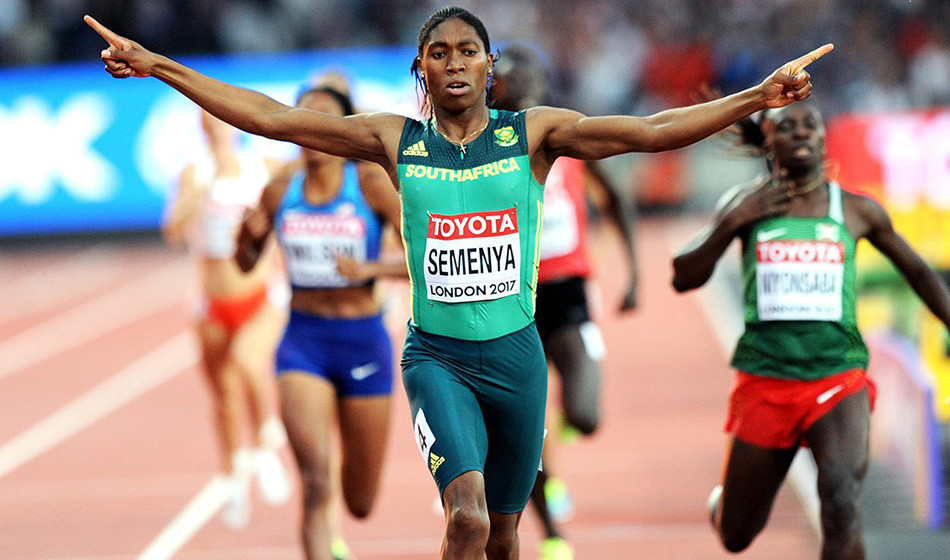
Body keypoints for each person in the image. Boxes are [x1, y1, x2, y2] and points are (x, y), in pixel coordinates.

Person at [86, 6, 831, 557]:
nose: (453, 63)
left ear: (488, 66)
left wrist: (755, 98)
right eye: (438, 52)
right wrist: (160, 67)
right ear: (422, 68)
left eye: (468, 51)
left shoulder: (531, 134)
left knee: (504, 536)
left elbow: (647, 133)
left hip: (517, 360)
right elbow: (272, 119)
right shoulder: (393, 140)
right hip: (436, 360)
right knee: (467, 519)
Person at [671, 102, 950, 559]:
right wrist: (734, 220)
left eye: (810, 125)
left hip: (837, 378)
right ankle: (725, 504)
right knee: (735, 535)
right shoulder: (745, 205)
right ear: (768, 142)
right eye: (787, 127)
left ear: (823, 139)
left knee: (841, 501)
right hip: (766, 382)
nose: (800, 133)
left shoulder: (855, 210)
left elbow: (919, 273)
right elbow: (683, 276)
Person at [235, 84, 402, 560]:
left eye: (324, 119)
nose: (311, 129)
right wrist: (243, 239)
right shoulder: (279, 189)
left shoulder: (369, 184)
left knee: (360, 502)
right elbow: (245, 264)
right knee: (315, 481)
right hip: (303, 343)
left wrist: (370, 268)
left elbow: (428, 258)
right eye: (303, 118)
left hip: (363, 341)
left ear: (344, 130)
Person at [489, 43, 638, 560]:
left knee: (586, 415)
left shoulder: (567, 136)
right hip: (511, 294)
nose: (518, 89)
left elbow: (615, 198)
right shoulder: (487, 145)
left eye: (526, 79)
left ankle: (560, 433)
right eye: (508, 82)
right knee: (521, 430)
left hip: (567, 289)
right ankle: (553, 532)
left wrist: (634, 275)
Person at [162, 109, 291, 529]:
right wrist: (198, 196)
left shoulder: (261, 167)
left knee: (249, 363)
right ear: (202, 128)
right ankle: (233, 475)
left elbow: (290, 207)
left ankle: (267, 441)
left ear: (234, 125)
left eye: (221, 122)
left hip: (258, 294)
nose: (217, 129)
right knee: (224, 396)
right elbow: (173, 230)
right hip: (210, 301)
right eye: (209, 123)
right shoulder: (195, 174)